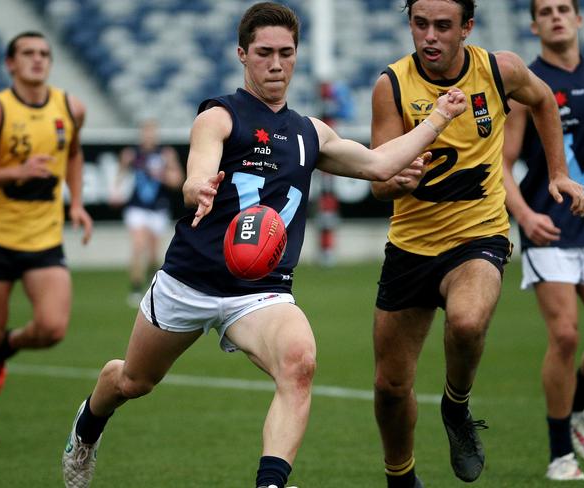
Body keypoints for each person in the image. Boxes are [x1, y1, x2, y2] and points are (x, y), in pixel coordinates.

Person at [61, 3, 467, 488]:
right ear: (242, 55)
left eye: (286, 53)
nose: (276, 63)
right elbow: (198, 167)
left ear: (297, 56)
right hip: (190, 281)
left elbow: (379, 165)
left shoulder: (310, 132)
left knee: (300, 363)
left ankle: (269, 484)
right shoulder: (219, 115)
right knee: (133, 381)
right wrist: (197, 188)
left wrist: (437, 118)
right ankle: (86, 432)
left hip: (260, 290)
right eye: (264, 53)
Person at [369, 0, 584, 486]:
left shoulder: (499, 69)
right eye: (420, 24)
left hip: (478, 235)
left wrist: (558, 173)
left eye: (443, 26)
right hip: (410, 246)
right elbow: (377, 178)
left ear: (466, 27)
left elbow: (545, 101)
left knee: (467, 321)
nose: (429, 36)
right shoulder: (392, 85)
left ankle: (456, 406)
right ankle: (401, 476)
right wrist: (396, 178)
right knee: (390, 386)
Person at [0, 31, 93, 449]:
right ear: (10, 64)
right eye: (28, 54)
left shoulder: (70, 107)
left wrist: (76, 203)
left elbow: (72, 153)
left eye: (44, 53)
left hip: (43, 238)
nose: (37, 60)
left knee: (52, 328)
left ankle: (8, 348)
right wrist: (15, 172)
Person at [503, 0, 584, 480]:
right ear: (534, 25)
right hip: (549, 228)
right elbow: (503, 162)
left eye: (564, 8)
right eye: (546, 11)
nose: (556, 16)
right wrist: (525, 215)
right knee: (566, 333)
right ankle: (561, 455)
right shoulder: (526, 87)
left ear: (578, 19)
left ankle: (579, 407)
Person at [112, 119, 183, 307]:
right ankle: (135, 288)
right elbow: (119, 176)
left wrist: (161, 174)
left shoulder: (166, 154)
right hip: (136, 207)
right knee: (138, 245)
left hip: (158, 208)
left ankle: (153, 288)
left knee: (153, 254)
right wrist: (116, 192)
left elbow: (177, 181)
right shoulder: (131, 154)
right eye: (146, 132)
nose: (149, 136)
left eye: (152, 132)